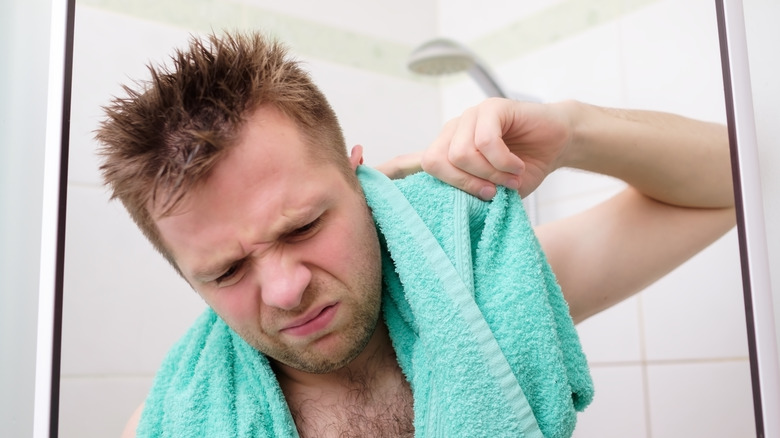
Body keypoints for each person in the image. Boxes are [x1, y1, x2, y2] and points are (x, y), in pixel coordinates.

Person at [96, 32, 735, 437]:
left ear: (361, 180)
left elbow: (733, 184)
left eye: (305, 226)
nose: (287, 291)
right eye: (227, 271)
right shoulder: (169, 425)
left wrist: (572, 132)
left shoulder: (486, 298)